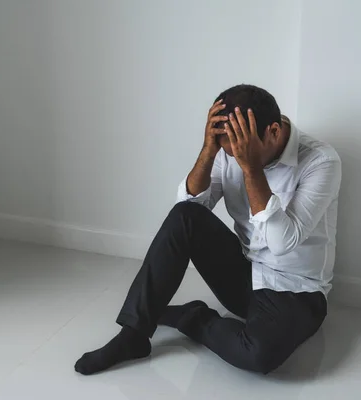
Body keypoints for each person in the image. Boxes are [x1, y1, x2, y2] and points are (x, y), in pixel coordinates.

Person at [74, 84, 341, 375]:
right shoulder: (229, 148)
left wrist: (251, 168)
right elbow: (186, 208)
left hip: (298, 293)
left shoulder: (321, 161)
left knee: (258, 357)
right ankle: (133, 336)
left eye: (239, 151)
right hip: (247, 276)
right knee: (185, 216)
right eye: (229, 150)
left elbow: (281, 243)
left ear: (273, 132)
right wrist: (209, 151)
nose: (234, 156)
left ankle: (192, 317)